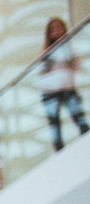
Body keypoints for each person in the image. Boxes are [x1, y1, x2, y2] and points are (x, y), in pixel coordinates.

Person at [39, 17, 88, 151]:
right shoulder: (46, 51)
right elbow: (42, 71)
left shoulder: (69, 46)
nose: (56, 32)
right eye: (53, 30)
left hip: (67, 88)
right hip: (50, 91)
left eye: (58, 28)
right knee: (55, 125)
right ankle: (59, 150)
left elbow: (76, 66)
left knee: (79, 118)